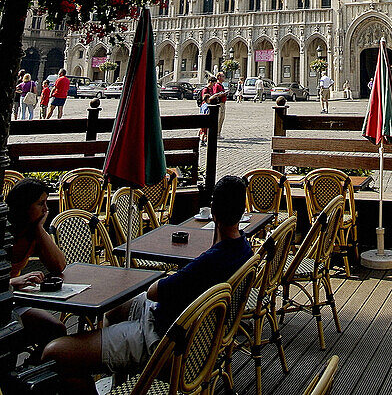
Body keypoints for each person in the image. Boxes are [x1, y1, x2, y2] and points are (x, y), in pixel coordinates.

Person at [43, 175, 252, 395]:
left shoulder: (209, 262)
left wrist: (170, 278)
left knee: (55, 352)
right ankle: (117, 378)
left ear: (214, 210)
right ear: (241, 210)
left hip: (162, 339)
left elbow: (154, 291)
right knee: (116, 309)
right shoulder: (243, 249)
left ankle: (117, 359)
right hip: (192, 333)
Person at [8, 179, 67, 351]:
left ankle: (37, 368)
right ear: (24, 206)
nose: (46, 209)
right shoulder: (4, 233)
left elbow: (58, 265)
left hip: (14, 300)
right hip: (5, 300)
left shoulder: (31, 232)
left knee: (56, 329)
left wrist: (39, 229)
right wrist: (12, 282)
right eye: (40, 203)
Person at [209, 71, 228, 136]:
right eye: (223, 76)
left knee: (221, 119)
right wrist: (223, 94)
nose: (224, 77)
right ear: (219, 77)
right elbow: (215, 95)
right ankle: (217, 133)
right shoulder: (217, 85)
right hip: (220, 103)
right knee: (219, 119)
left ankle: (218, 132)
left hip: (223, 103)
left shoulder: (221, 85)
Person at [198, 75, 214, 145]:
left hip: (207, 107)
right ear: (210, 82)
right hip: (205, 107)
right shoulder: (206, 89)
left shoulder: (211, 89)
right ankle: (202, 139)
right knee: (204, 126)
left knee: (204, 127)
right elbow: (204, 97)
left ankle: (201, 137)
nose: (214, 85)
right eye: (213, 83)